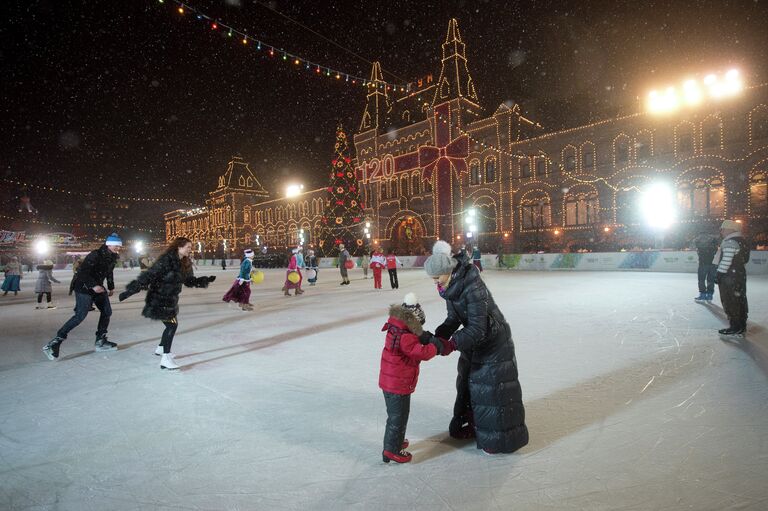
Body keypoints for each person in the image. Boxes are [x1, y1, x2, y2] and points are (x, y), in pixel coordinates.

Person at [424, 240, 528, 454]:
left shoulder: (472, 284)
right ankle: (472, 426)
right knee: (471, 386)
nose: (435, 283)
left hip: (493, 341)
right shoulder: (449, 287)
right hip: (473, 341)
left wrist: (451, 344)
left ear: (448, 271)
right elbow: (453, 318)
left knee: (492, 392)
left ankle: (499, 441)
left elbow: (479, 327)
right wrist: (437, 336)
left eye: (437, 278)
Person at [119, 237, 216, 370]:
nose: (190, 249)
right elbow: (150, 275)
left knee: (171, 325)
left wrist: (204, 280)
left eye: (190, 247)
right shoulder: (167, 259)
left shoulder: (185, 262)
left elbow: (188, 280)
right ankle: (165, 357)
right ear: (179, 247)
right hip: (160, 297)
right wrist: (130, 291)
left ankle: (160, 348)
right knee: (171, 326)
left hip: (171, 298)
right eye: (188, 247)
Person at [379, 292, 453, 464]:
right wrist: (435, 346)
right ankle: (391, 449)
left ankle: (395, 441)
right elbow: (421, 352)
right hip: (398, 384)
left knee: (397, 416)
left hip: (391, 382)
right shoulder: (406, 337)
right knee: (398, 417)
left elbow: (416, 340)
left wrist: (425, 337)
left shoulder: (398, 328)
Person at [42, 233, 122, 360]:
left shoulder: (113, 257)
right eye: (115, 245)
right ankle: (54, 343)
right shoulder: (95, 254)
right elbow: (82, 273)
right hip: (84, 287)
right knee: (80, 316)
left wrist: (111, 286)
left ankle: (100, 340)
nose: (118, 248)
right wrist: (93, 286)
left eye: (119, 246)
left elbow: (109, 272)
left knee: (107, 311)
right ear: (108, 244)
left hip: (98, 287)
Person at [714, 220, 751, 337]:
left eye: (723, 229)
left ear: (731, 229)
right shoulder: (742, 241)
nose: (721, 231)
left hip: (729, 277)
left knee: (730, 300)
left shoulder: (730, 242)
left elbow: (726, 261)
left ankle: (735, 326)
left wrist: (719, 274)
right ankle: (741, 324)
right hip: (738, 275)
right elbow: (745, 260)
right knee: (739, 299)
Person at [692, 231, 719, 303]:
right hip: (712, 263)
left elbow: (694, 245)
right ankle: (709, 295)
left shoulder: (698, 241)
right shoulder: (713, 241)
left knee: (701, 280)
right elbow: (716, 250)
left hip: (703, 263)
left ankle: (703, 294)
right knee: (710, 280)